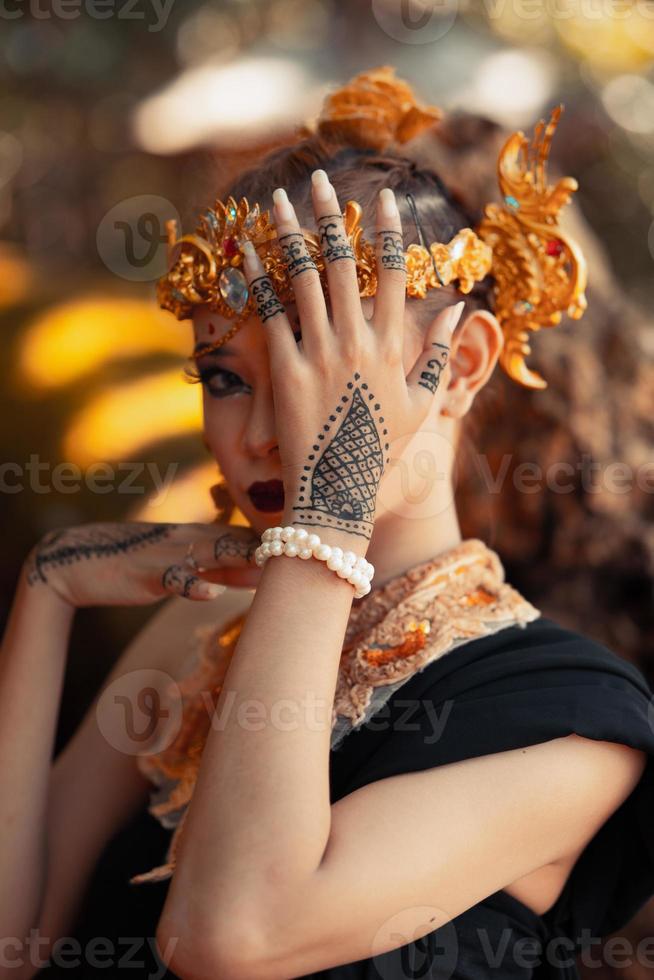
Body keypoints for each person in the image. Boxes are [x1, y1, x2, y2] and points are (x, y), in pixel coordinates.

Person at [1, 67, 653, 980]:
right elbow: (14, 942)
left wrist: (329, 509)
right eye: (226, 379)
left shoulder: (572, 721)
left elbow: (230, 935)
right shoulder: (202, 625)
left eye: (316, 367)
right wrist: (49, 591)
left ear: (460, 365)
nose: (265, 436)